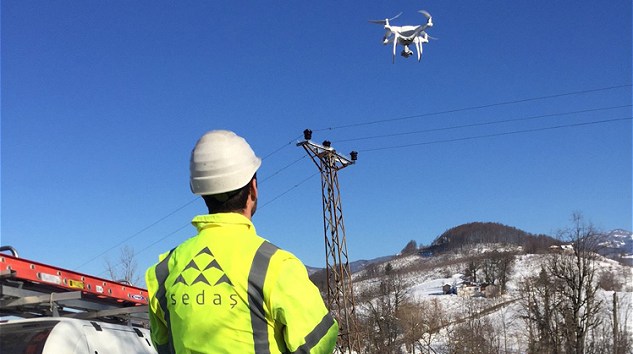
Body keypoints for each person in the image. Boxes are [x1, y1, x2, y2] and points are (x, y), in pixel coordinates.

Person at [145, 130, 338, 354]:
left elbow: (163, 344)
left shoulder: (162, 272)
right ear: (253, 188)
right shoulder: (277, 266)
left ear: (201, 191)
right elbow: (320, 343)